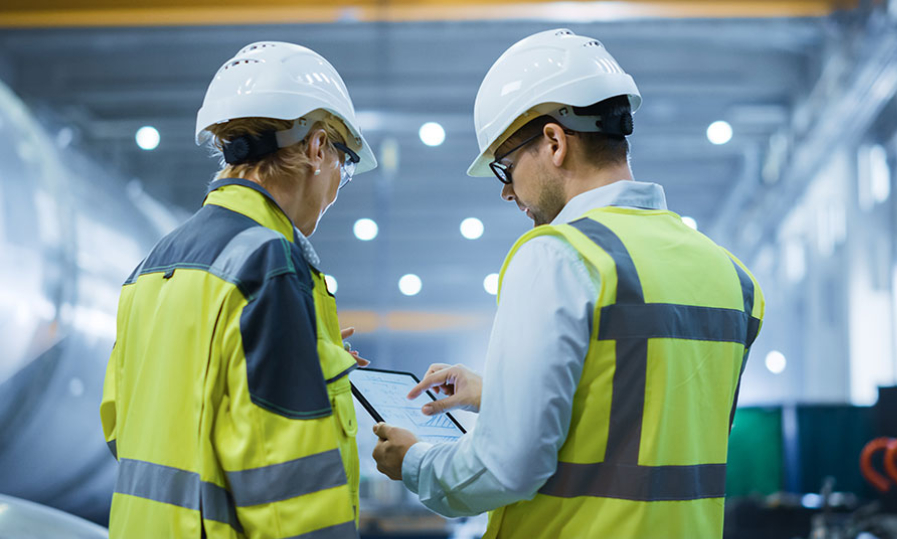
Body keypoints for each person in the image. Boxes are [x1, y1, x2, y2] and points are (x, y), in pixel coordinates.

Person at [371, 29, 765, 538]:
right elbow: (646, 425)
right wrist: (501, 395)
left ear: (554, 142)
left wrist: (415, 462)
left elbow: (506, 468)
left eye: (506, 169)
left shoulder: (559, 256)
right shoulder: (732, 278)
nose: (507, 193)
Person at [100, 41, 375, 539]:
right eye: (345, 165)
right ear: (317, 149)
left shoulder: (151, 266)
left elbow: (123, 426)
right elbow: (289, 485)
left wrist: (315, 364)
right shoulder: (268, 264)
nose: (337, 189)